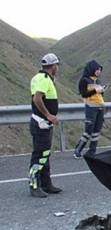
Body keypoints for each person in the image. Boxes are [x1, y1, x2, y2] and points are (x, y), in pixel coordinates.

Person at [28, 53, 62, 197]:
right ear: (53, 66)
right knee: (39, 155)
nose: (57, 68)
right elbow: (37, 98)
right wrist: (48, 115)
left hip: (42, 123)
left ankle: (46, 183)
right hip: (41, 122)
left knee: (44, 154)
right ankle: (34, 184)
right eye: (57, 65)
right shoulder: (44, 79)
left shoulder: (39, 77)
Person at [73, 60, 106, 158]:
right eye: (97, 69)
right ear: (92, 69)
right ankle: (78, 150)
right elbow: (84, 94)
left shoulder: (98, 81)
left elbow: (100, 95)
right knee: (88, 130)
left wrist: (102, 90)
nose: (99, 71)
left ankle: (92, 151)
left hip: (100, 107)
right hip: (91, 108)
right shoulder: (85, 80)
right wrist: (96, 90)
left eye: (100, 70)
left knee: (97, 131)